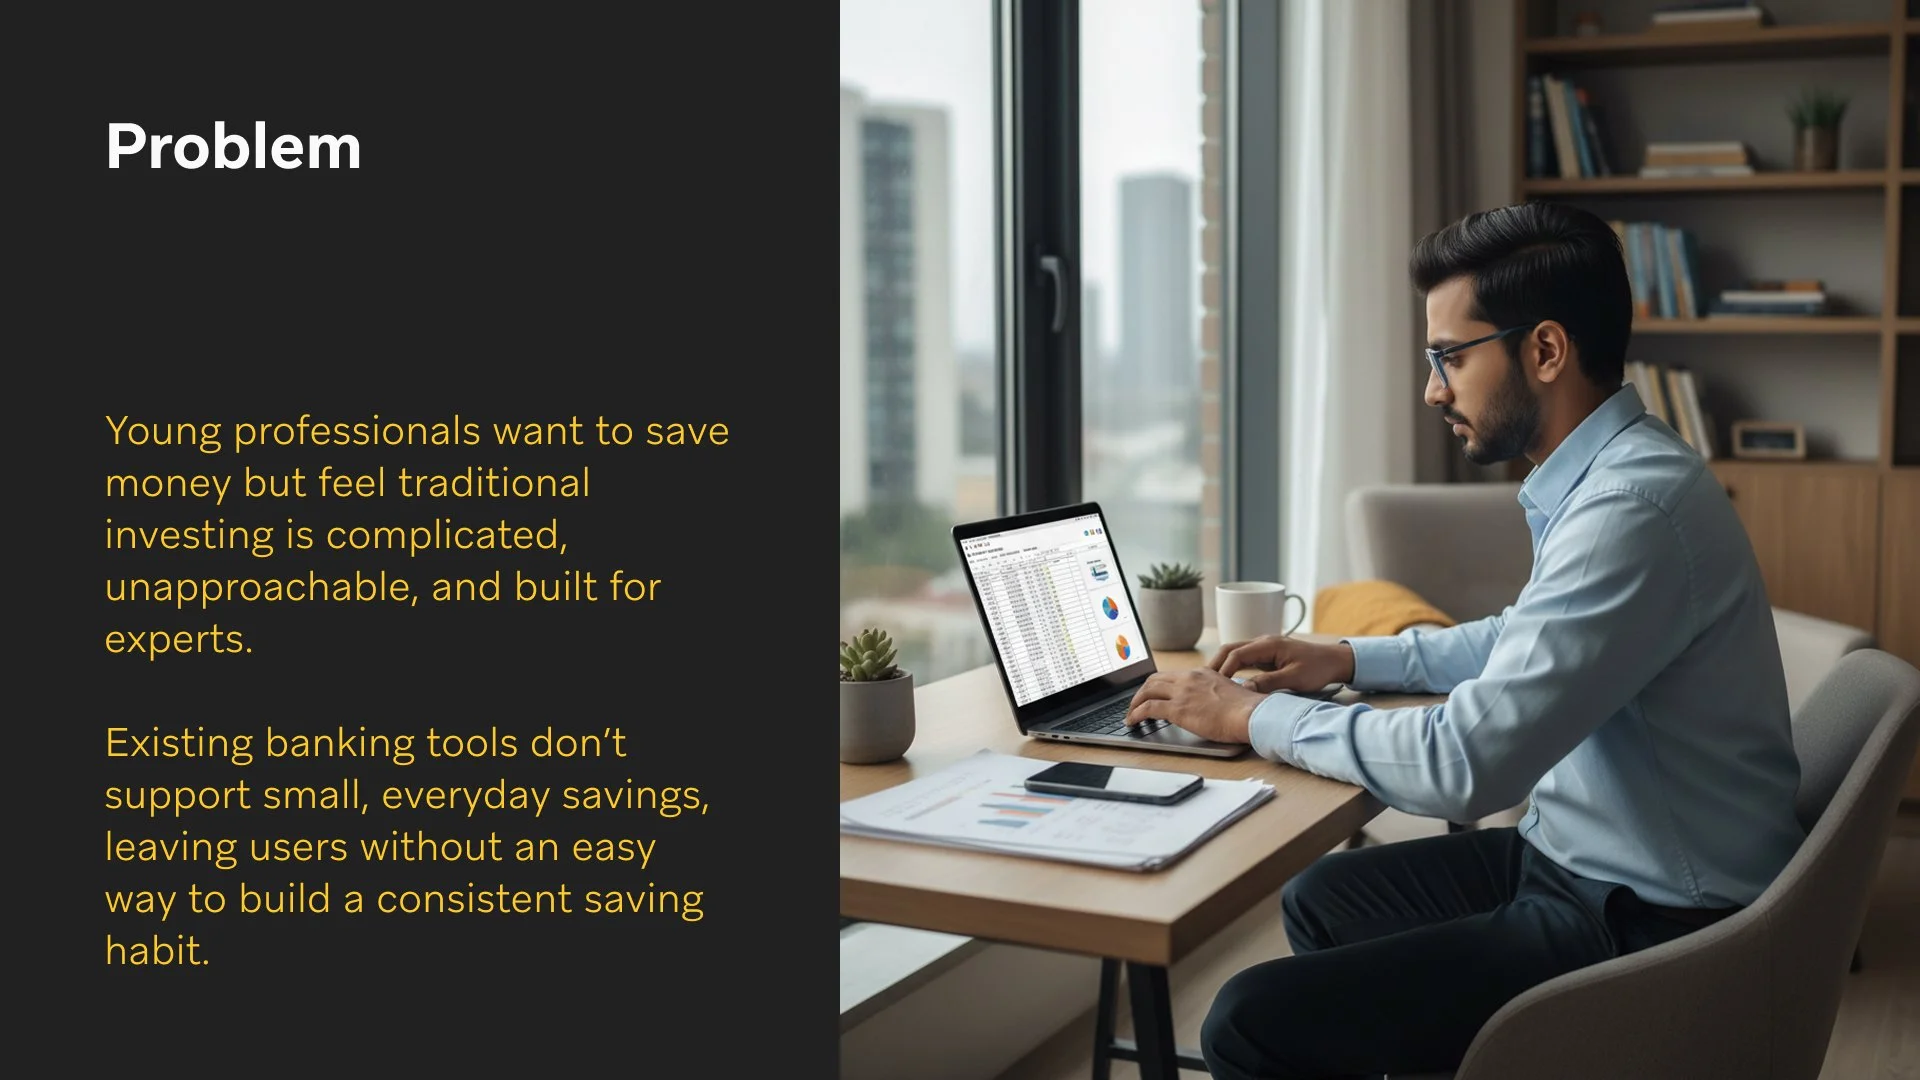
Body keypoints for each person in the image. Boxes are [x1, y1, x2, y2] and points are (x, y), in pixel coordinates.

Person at [1123, 201, 1804, 1080]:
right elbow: (1526, 636)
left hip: (1656, 922)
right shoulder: (1618, 475)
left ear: (1546, 350)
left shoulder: (1627, 510)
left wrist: (1250, 719)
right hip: (1584, 857)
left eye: (1450, 357)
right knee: (1325, 899)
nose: (1433, 388)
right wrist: (1351, 656)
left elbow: (1467, 765)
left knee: (1248, 1022)